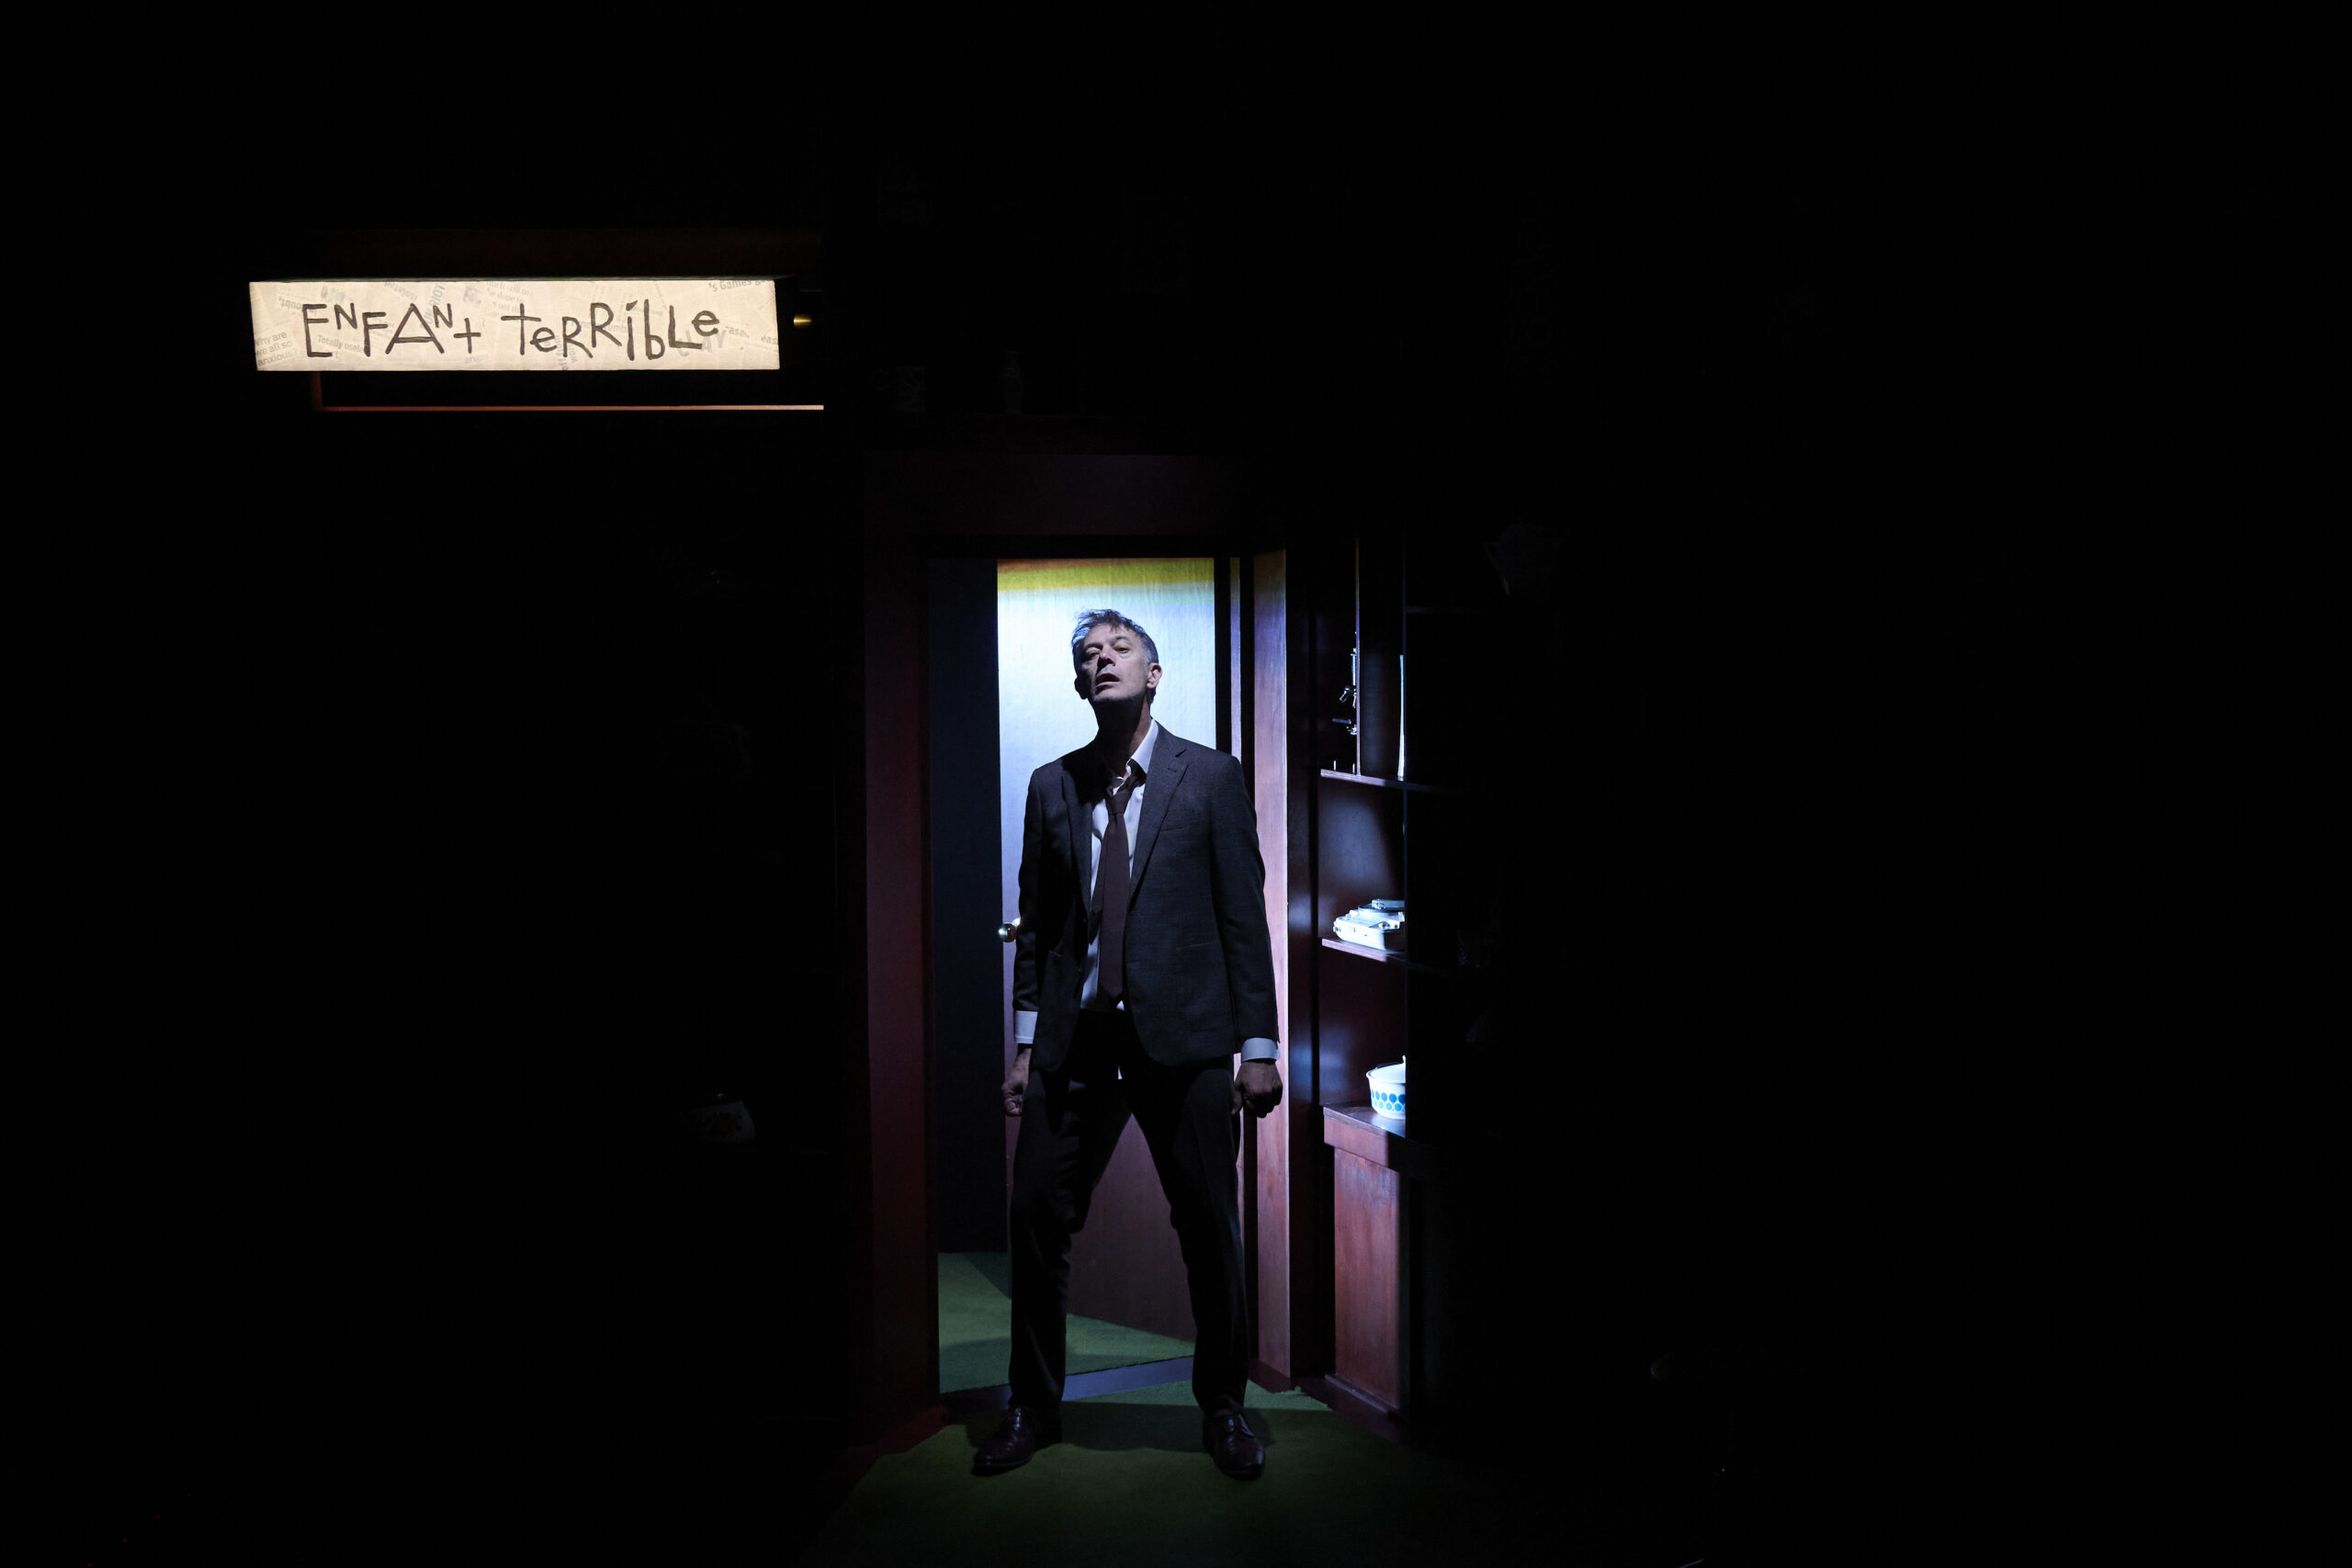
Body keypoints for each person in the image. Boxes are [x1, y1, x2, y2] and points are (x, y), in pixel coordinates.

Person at [979, 609, 1284, 1480]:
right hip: (1076, 1042)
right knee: (1036, 1214)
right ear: (1080, 686)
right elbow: (1038, 929)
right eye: (1087, 656)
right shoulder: (1051, 785)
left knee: (1207, 1225)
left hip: (1184, 1040)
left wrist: (1255, 1045)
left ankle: (1224, 1406)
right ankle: (1031, 1406)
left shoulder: (1211, 778)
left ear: (1153, 675)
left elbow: (1243, 922)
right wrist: (1026, 1042)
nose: (1100, 661)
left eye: (1118, 650)